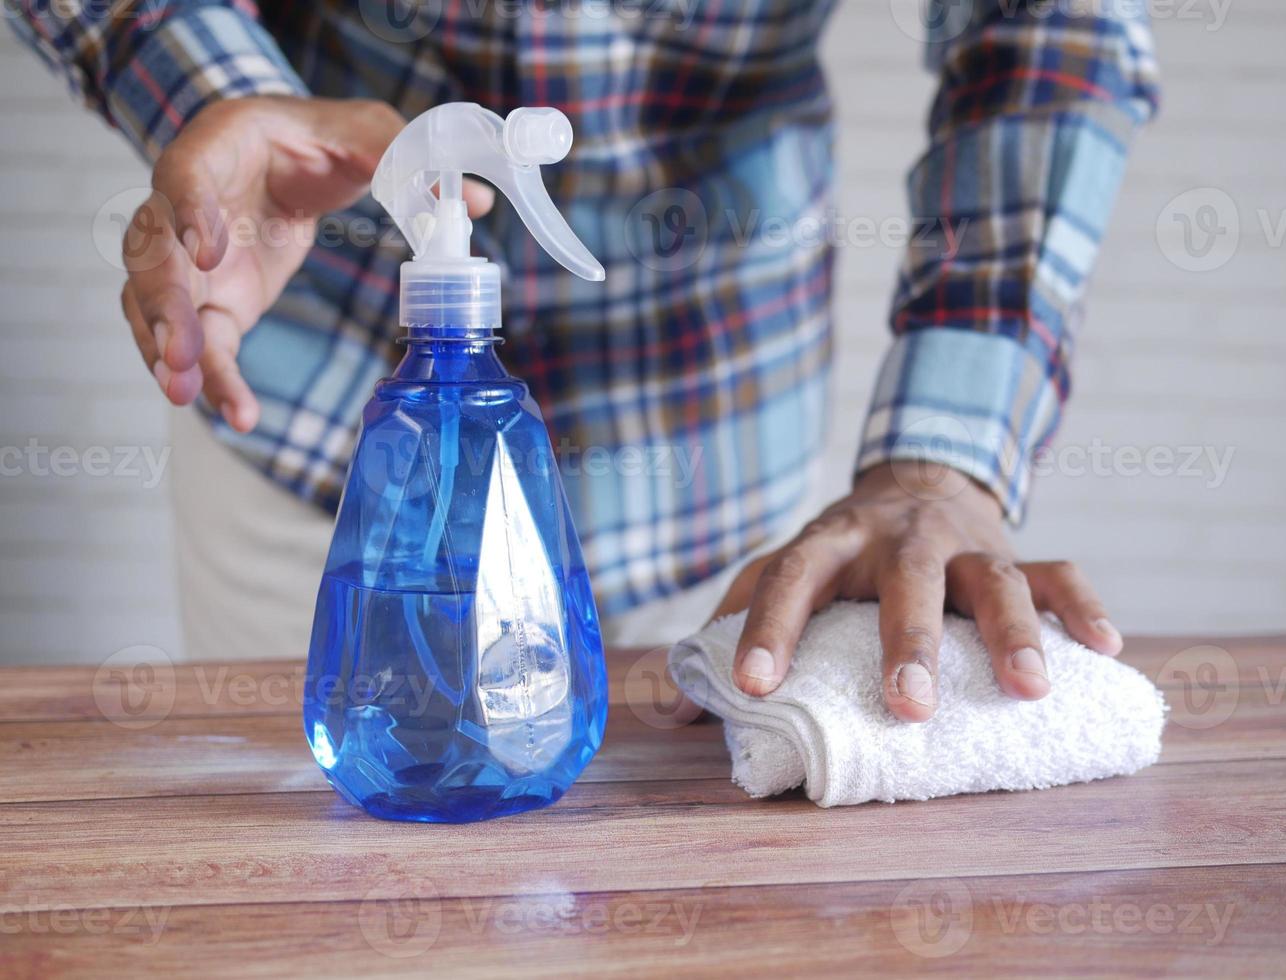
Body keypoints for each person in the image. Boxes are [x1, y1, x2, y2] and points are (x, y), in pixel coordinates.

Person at [15, 1, 1159, 722]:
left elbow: (1050, 29)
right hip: (308, 385)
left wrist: (943, 457)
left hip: (711, 431)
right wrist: (223, 94)